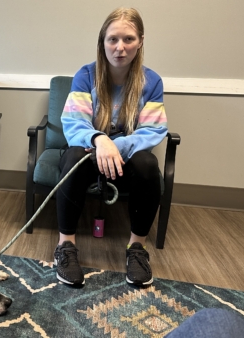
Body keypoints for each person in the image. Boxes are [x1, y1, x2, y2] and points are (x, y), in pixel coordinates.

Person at [54, 7, 168, 286]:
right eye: (112, 39)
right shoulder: (86, 75)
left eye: (128, 39)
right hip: (90, 153)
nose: (120, 48)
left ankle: (137, 248)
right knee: (71, 157)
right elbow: (73, 122)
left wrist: (117, 146)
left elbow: (153, 129)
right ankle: (65, 246)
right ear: (102, 41)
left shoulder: (151, 82)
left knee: (148, 164)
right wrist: (100, 139)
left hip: (124, 159)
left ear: (140, 41)